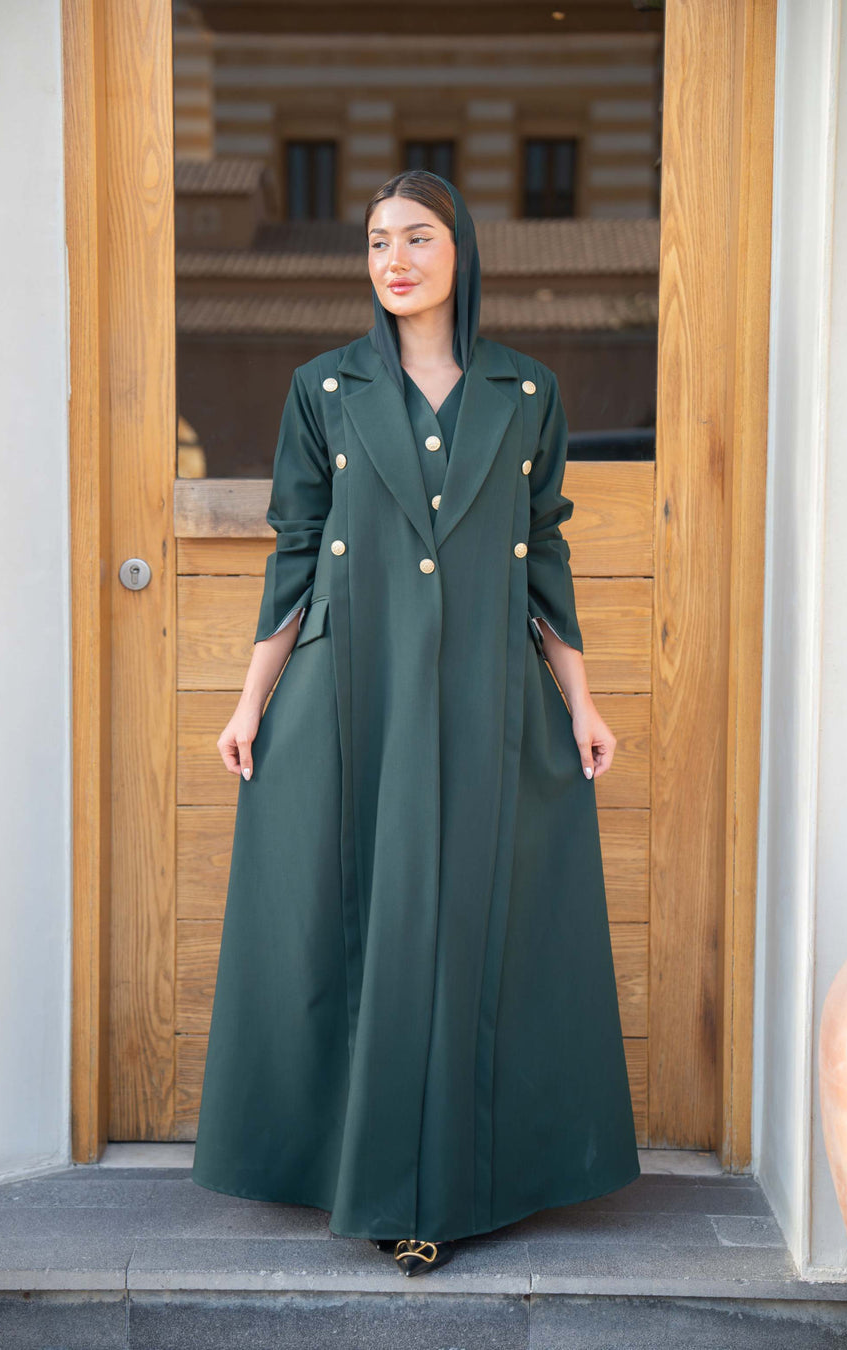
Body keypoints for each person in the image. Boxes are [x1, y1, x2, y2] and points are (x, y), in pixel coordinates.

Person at [191, 170, 641, 1278]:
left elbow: (548, 560)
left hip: (489, 699)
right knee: (367, 932)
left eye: (419, 237)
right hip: (351, 699)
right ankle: (383, 1187)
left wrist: (582, 704)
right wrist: (250, 704)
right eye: (379, 240)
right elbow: (294, 553)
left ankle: (463, 1185)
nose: (395, 257)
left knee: (470, 931)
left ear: (461, 249)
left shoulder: (525, 394)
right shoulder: (323, 390)